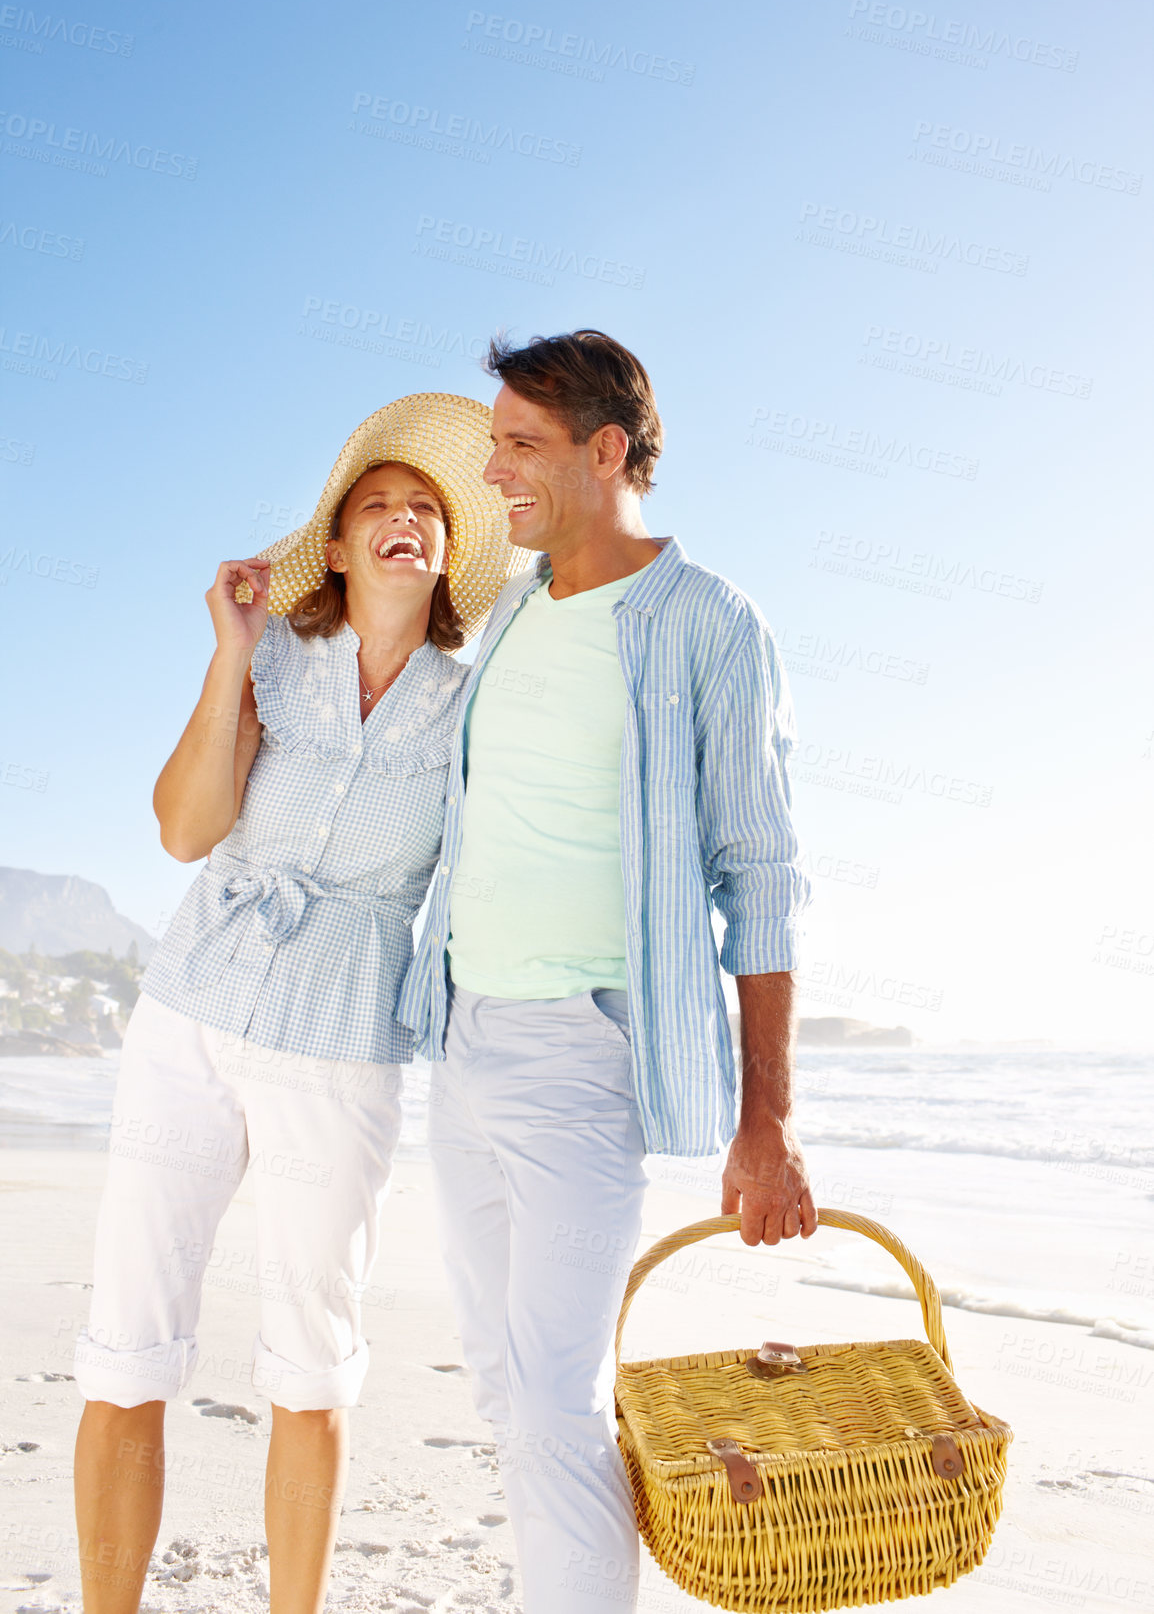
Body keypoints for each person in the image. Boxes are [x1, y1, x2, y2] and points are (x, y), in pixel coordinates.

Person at [72, 394, 531, 1614]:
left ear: (446, 555)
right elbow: (184, 830)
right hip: (189, 1018)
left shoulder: (476, 700)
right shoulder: (272, 658)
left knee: (311, 1366)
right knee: (128, 1344)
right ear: (332, 545)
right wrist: (230, 653)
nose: (402, 518)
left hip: (340, 1046)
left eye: (426, 509)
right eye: (376, 503)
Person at [398, 331, 815, 1614]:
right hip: (464, 1034)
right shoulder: (512, 610)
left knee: (551, 1397)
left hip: (586, 1045)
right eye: (488, 446)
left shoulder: (704, 622)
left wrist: (769, 1120)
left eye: (519, 445)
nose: (493, 473)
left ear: (607, 450)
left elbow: (760, 870)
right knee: (502, 1384)